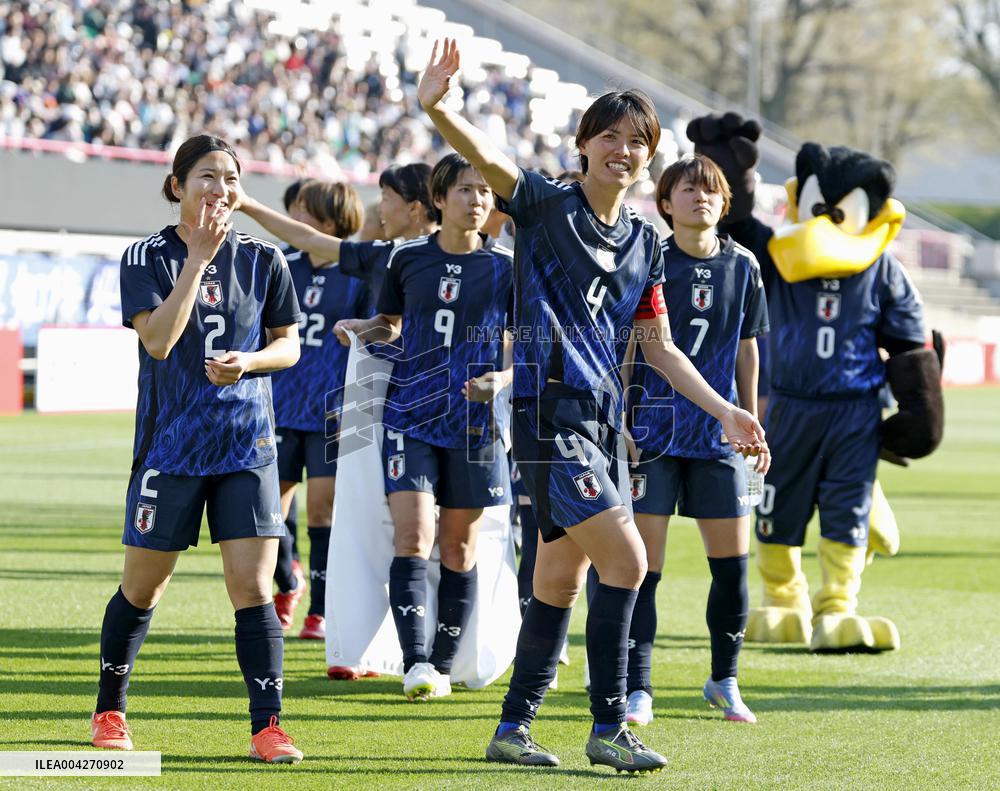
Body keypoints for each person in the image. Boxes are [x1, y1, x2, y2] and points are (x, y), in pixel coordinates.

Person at [415, 39, 769, 774]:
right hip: (548, 420)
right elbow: (490, 160)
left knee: (557, 583)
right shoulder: (544, 205)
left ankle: (512, 727)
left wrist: (727, 411)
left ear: (649, 159)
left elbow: (660, 347)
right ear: (583, 145)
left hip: (603, 430)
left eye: (637, 141)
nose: (623, 149)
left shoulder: (645, 241)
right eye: (609, 136)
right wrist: (439, 107)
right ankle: (610, 722)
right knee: (630, 559)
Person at [91, 134, 304, 763]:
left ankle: (269, 726)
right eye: (207, 176)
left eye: (231, 178)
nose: (220, 189)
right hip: (170, 447)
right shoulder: (145, 256)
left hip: (246, 445)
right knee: (143, 587)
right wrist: (198, 263)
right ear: (177, 184)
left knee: (254, 586)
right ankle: (109, 712)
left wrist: (253, 362)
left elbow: (288, 345)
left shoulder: (266, 259)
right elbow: (157, 342)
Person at [332, 152, 515, 702]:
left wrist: (500, 382)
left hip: (474, 426)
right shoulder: (407, 259)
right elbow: (389, 325)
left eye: (485, 191)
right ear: (439, 198)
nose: (477, 200)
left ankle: (443, 660)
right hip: (409, 415)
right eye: (465, 189)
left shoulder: (506, 269)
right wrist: (362, 329)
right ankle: (416, 664)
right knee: (414, 536)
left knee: (459, 547)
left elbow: (526, 347)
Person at [622, 154, 769, 727]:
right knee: (643, 568)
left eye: (710, 190)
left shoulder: (745, 266)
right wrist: (625, 422)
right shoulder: (649, 258)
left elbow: (747, 347)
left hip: (719, 437)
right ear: (665, 202)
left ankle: (724, 680)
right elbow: (634, 347)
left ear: (724, 202)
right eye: (687, 189)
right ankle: (639, 688)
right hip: (653, 434)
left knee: (731, 566)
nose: (700, 197)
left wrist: (751, 420)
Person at [269, 180, 370, 641]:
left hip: (336, 409)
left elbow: (379, 336)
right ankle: (288, 582)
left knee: (322, 513)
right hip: (280, 404)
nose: (295, 219)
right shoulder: (281, 266)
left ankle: (320, 611)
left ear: (330, 222)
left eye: (303, 213)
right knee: (267, 509)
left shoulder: (361, 274)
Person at [237, 163, 437, 306]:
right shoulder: (382, 254)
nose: (380, 208)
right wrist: (246, 204)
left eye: (386, 198)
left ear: (414, 208)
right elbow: (307, 239)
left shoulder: (461, 259)